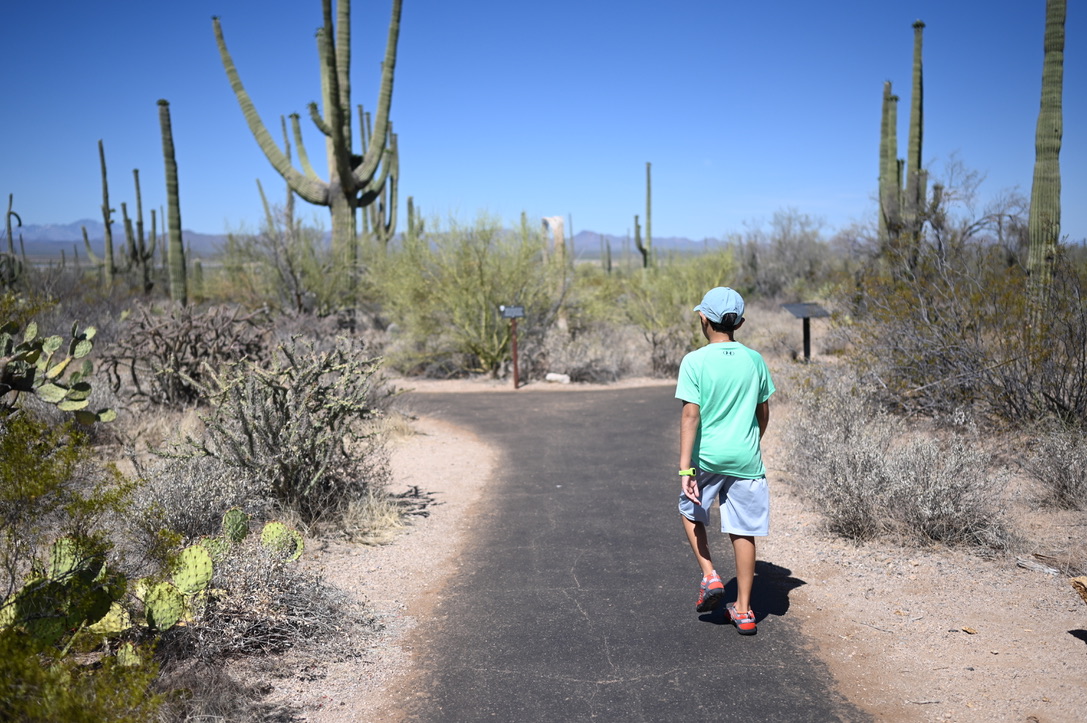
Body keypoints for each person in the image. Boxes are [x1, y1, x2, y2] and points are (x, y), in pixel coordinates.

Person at [675, 287, 775, 635]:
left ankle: (710, 576)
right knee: (743, 529)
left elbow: (691, 415)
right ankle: (745, 612)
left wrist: (685, 467)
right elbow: (763, 412)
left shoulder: (695, 361)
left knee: (690, 511)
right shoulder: (755, 360)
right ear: (740, 323)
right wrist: (751, 442)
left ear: (703, 317)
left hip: (707, 457)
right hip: (746, 458)